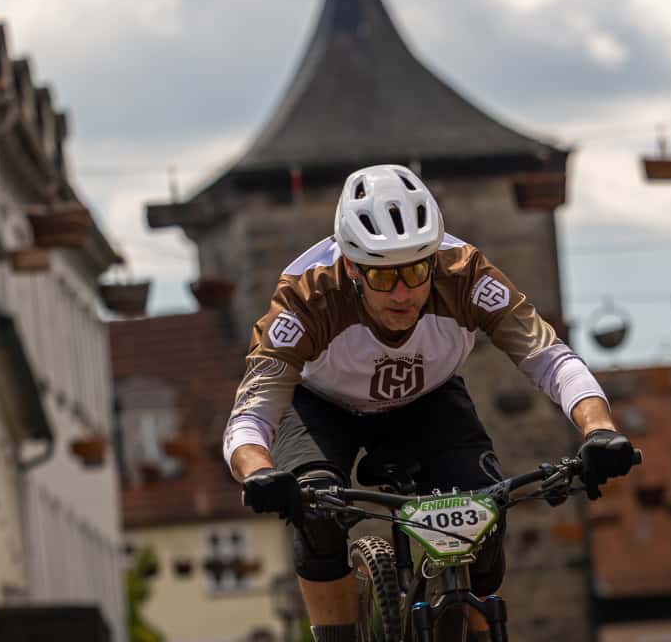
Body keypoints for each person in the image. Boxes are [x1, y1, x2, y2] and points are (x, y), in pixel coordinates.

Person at [224, 164, 635, 642]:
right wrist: (258, 472)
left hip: (429, 402)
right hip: (320, 408)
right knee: (318, 517)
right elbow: (252, 411)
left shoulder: (464, 274)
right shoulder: (308, 296)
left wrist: (599, 429)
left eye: (417, 270)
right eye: (383, 277)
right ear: (353, 268)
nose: (403, 292)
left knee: (484, 516)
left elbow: (547, 356)